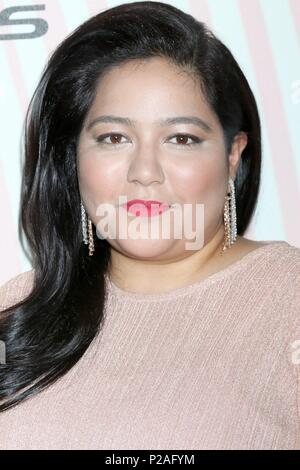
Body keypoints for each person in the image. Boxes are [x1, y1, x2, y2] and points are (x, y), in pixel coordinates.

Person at [0, 0, 299, 450]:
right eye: (113, 137)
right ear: (74, 157)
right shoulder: (19, 308)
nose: (144, 171)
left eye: (181, 138)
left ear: (232, 155)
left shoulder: (288, 301)